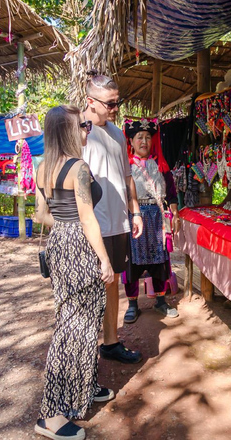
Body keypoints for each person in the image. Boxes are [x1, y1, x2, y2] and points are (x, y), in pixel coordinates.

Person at [34, 105, 116, 440]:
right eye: (82, 124)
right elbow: (87, 219)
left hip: (60, 244)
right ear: (68, 131)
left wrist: (64, 234)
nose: (88, 128)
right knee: (72, 327)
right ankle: (49, 415)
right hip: (80, 246)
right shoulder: (78, 168)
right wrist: (105, 260)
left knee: (80, 321)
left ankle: (85, 384)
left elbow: (43, 215)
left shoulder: (43, 167)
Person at [82, 72, 144, 364]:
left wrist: (135, 210)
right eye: (110, 103)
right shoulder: (77, 132)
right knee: (86, 284)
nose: (115, 108)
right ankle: (82, 349)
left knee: (112, 282)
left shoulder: (118, 133)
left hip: (118, 221)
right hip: (90, 222)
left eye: (118, 102)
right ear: (90, 102)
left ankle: (111, 342)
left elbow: (127, 176)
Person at [122, 118, 181, 321]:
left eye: (148, 137)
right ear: (131, 142)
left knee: (161, 261)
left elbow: (172, 194)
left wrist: (175, 213)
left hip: (157, 219)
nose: (144, 141)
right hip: (134, 219)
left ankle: (161, 301)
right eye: (139, 137)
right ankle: (132, 305)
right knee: (132, 264)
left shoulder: (161, 166)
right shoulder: (125, 168)